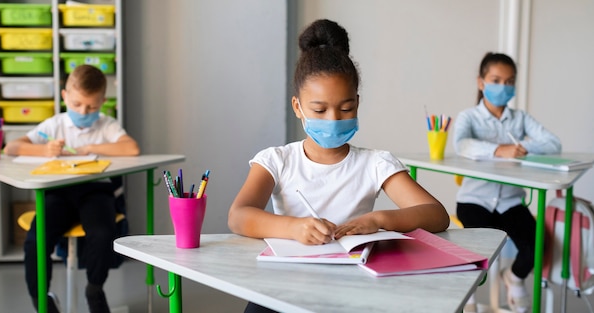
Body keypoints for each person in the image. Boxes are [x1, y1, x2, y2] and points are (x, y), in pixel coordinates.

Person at [228, 19, 450, 313]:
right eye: (319, 110)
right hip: (287, 281)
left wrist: (379, 219)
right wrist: (294, 228)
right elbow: (238, 216)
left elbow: (437, 215)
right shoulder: (277, 160)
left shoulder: (375, 163)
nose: (333, 119)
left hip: (354, 282)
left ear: (357, 104)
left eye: (346, 109)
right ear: (298, 107)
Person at [4, 64, 140, 313]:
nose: (84, 112)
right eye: (77, 104)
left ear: (102, 102)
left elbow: (131, 148)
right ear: (65, 96)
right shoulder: (54, 125)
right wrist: (44, 150)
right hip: (59, 191)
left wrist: (89, 148)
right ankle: (41, 300)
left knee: (102, 233)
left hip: (96, 191)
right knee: (36, 240)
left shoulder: (106, 125)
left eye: (92, 107)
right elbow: (11, 148)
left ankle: (95, 289)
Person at [453, 52, 561, 313]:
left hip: (511, 201)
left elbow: (553, 143)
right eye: (496, 80)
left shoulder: (520, 118)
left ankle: (514, 278)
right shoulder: (469, 117)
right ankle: (469, 298)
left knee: (536, 246)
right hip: (474, 200)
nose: (503, 86)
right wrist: (498, 150)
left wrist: (521, 146)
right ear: (481, 82)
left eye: (509, 81)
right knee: (478, 254)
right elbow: (462, 145)